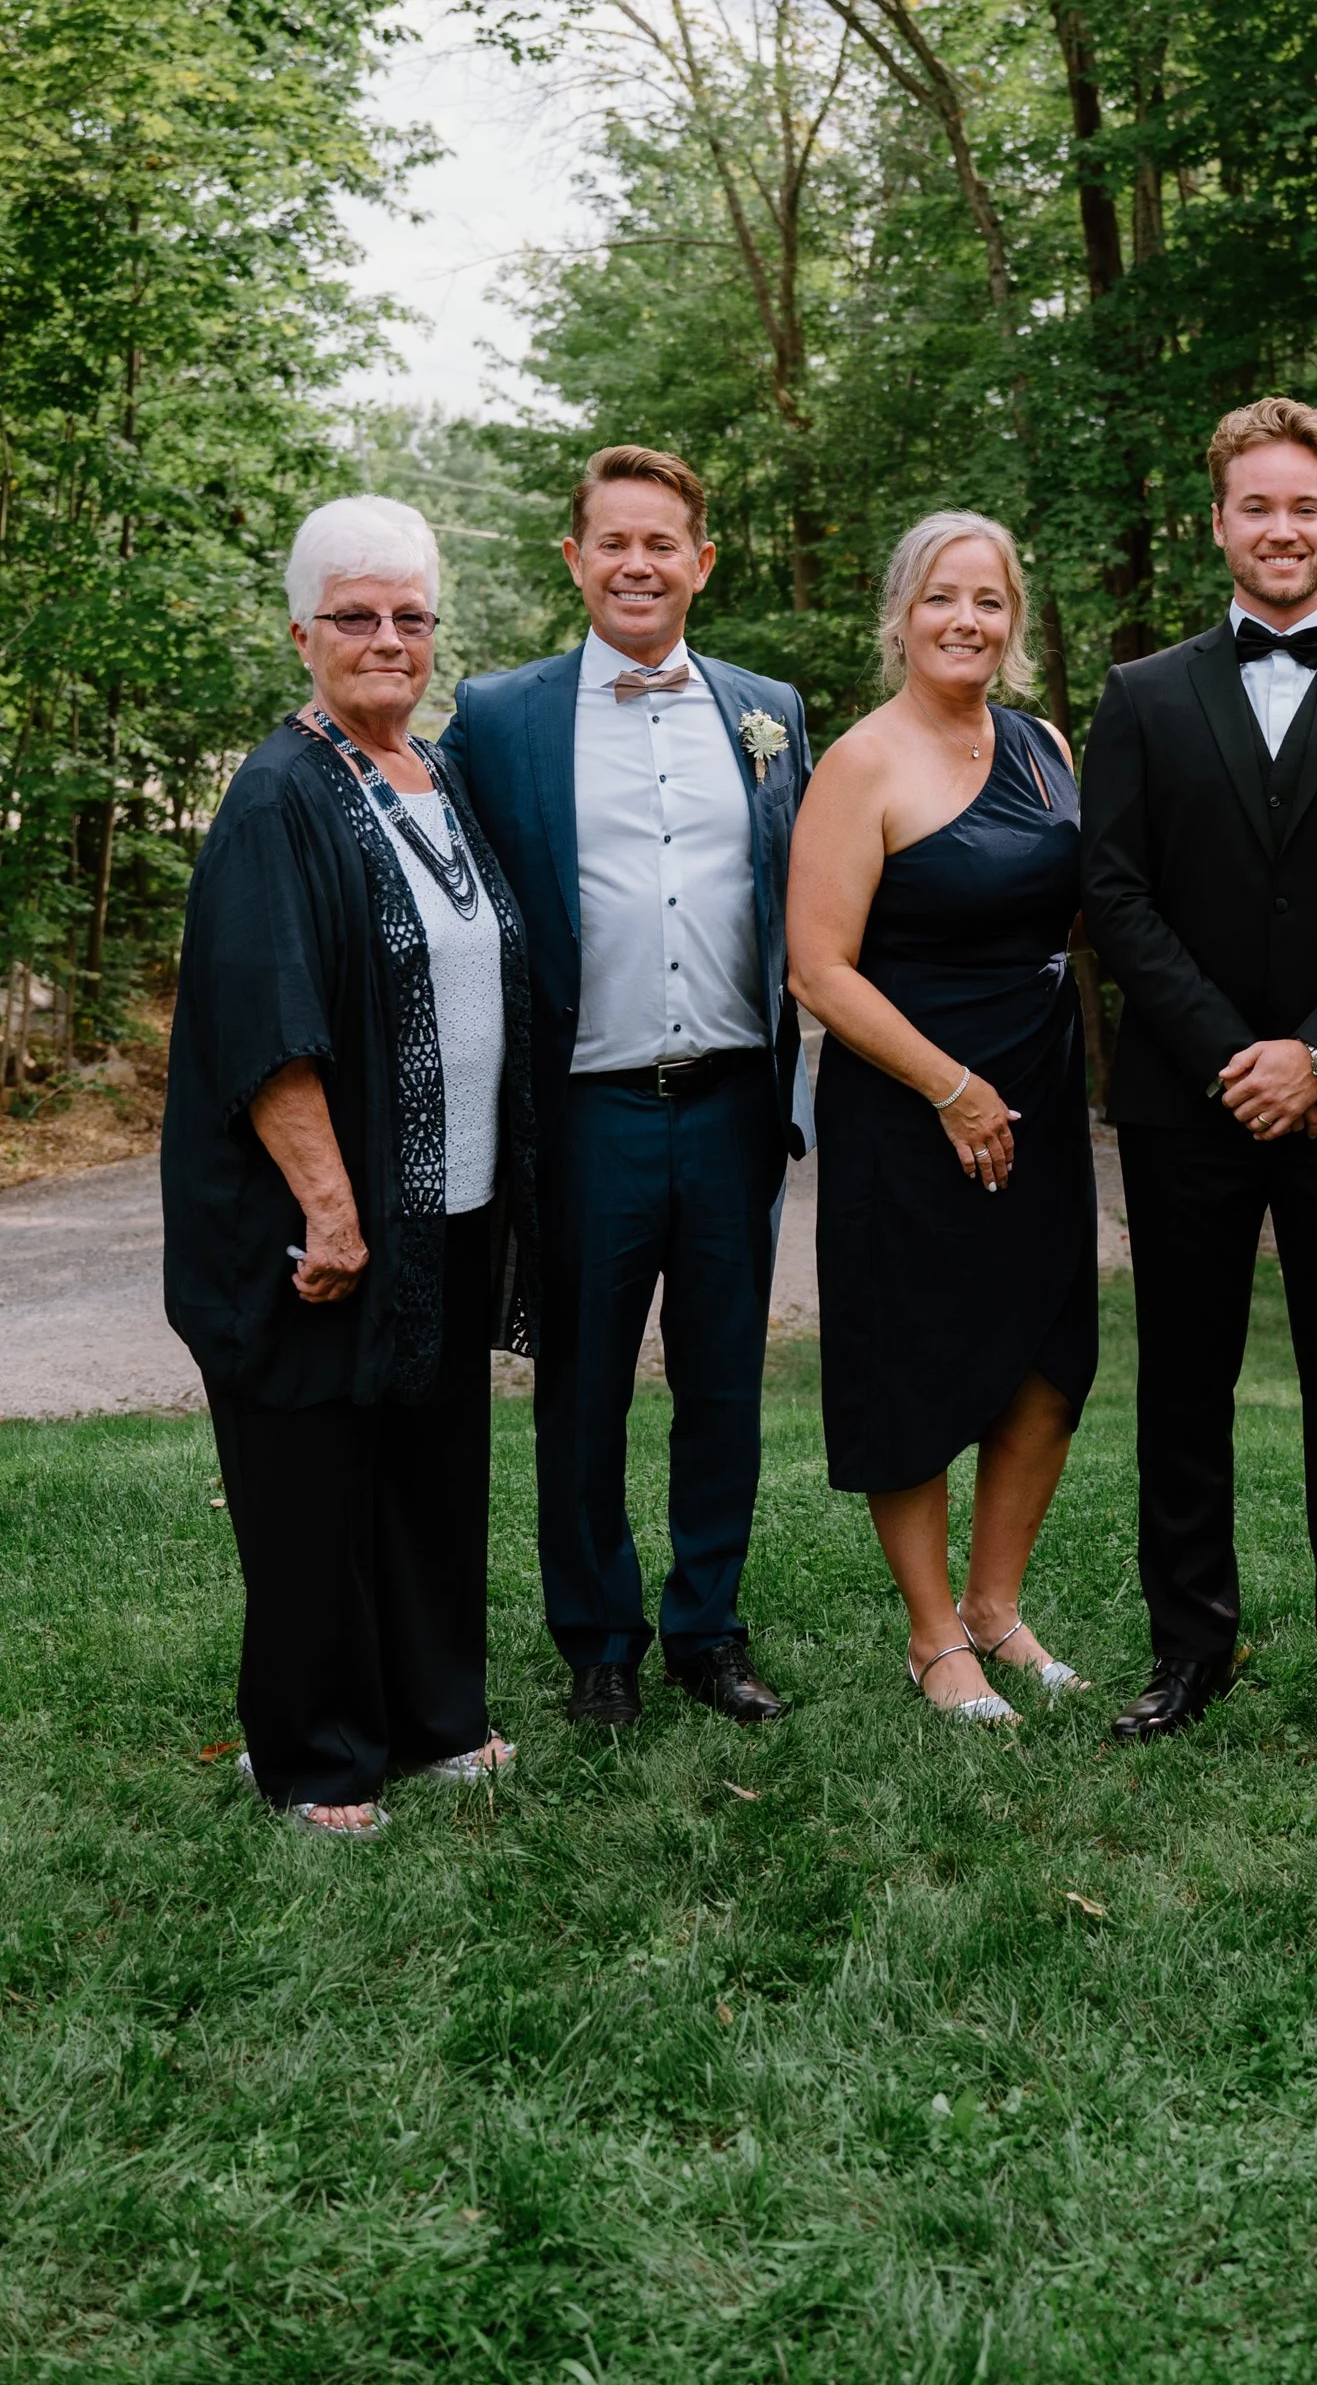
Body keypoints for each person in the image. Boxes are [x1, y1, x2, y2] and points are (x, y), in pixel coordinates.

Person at [1080, 395, 1317, 1755]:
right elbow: (1114, 893)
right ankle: (1187, 1651)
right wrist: (1224, 1052)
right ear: (1219, 524)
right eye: (1257, 505)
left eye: (1304, 505)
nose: (1281, 528)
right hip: (1182, 1099)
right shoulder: (1137, 695)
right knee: (1180, 1383)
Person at [162, 496, 537, 1833]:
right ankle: (314, 1753)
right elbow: (265, 1029)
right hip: (321, 1223)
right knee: (313, 1483)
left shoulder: (434, 775)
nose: (389, 639)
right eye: (357, 617)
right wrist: (330, 1209)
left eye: (410, 617)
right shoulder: (277, 796)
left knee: (431, 1466)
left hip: (450, 1202)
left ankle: (433, 1717)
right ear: (303, 633)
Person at [442, 445, 812, 1731]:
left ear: (702, 561)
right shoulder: (498, 717)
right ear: (577, 559)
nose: (639, 564)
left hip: (730, 1108)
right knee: (583, 1389)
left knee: (722, 1386)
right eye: (615, 542)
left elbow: (806, 905)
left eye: (665, 543)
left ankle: (708, 1628)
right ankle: (598, 1639)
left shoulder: (770, 711)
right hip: (584, 1112)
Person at [788, 518, 1098, 1723]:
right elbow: (818, 969)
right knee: (912, 1357)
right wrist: (950, 1086)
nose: (965, 621)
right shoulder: (862, 762)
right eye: (940, 600)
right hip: (907, 1101)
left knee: (1046, 1358)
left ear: (1013, 619)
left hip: (1041, 1084)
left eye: (988, 600)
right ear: (900, 616)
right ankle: (931, 1637)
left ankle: (996, 1609)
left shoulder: (1041, 745)